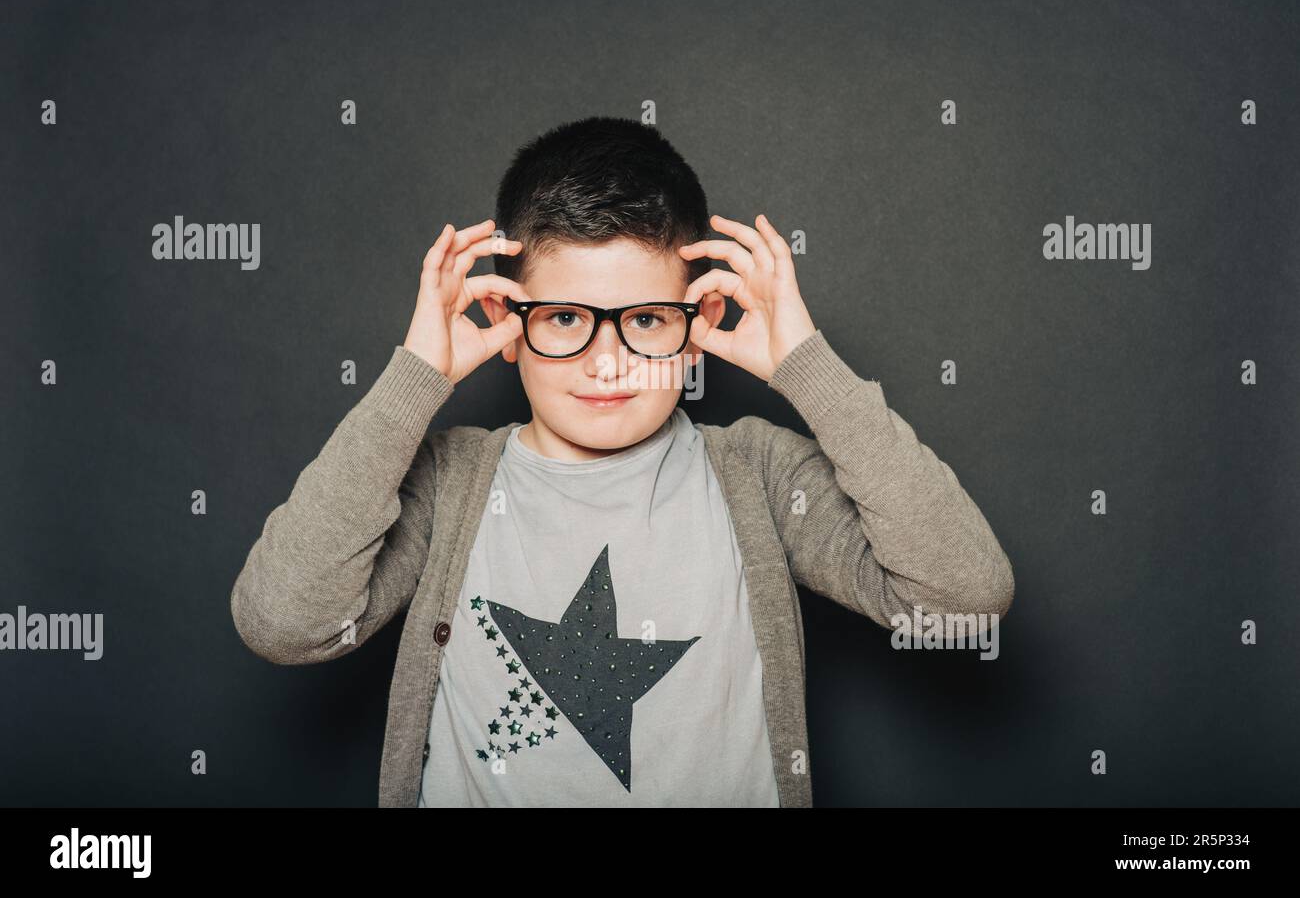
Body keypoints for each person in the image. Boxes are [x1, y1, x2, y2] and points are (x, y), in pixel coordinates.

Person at [230, 116, 1014, 807]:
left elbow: (964, 597)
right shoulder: (448, 483)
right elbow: (283, 623)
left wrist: (805, 365)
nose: (608, 363)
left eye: (644, 318)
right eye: (565, 317)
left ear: (701, 314)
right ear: (504, 315)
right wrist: (414, 380)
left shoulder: (759, 475)